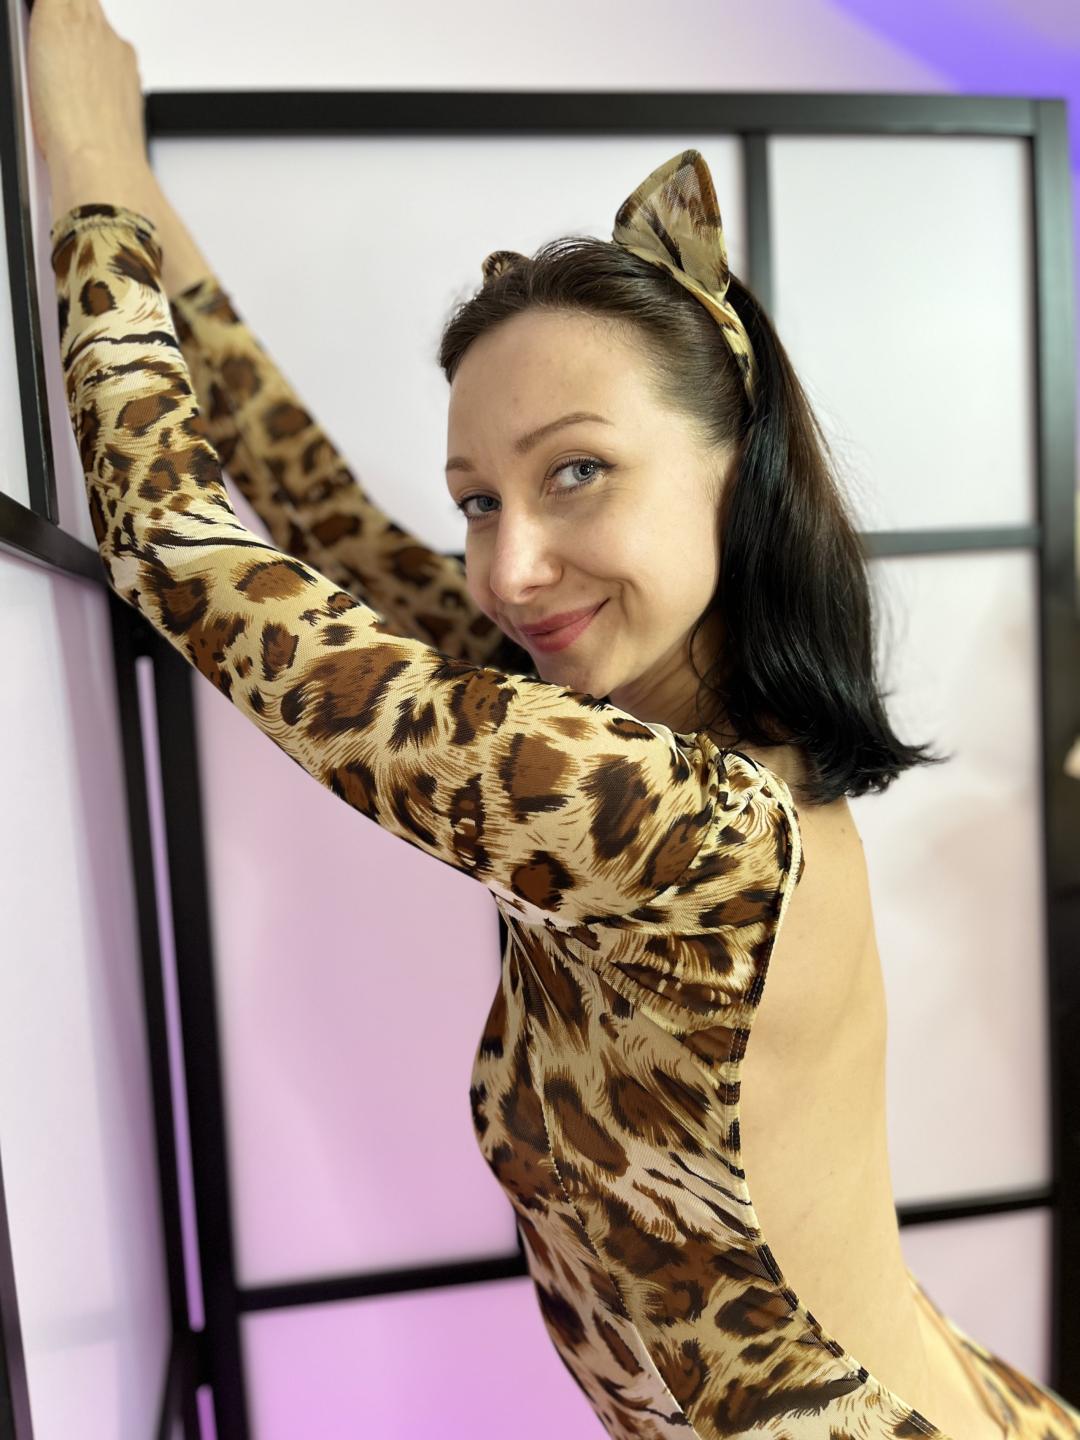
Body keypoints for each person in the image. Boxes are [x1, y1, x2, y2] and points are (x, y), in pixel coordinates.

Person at [28, 3, 1080, 1436]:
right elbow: (326, 523)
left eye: (576, 471)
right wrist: (144, 203)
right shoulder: (688, 741)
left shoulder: (671, 823)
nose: (509, 568)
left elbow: (180, 558)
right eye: (479, 499)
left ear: (736, 472)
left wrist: (88, 170)